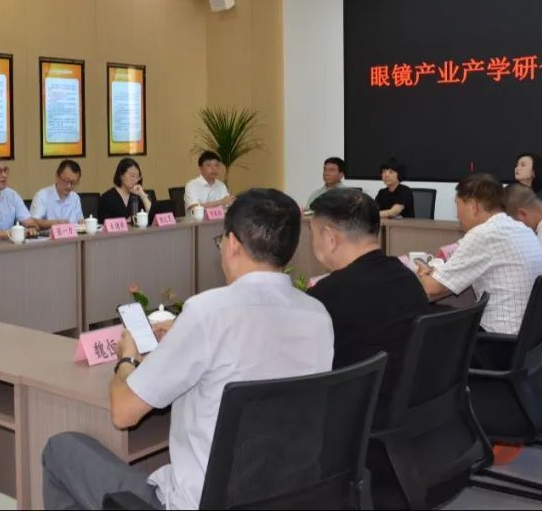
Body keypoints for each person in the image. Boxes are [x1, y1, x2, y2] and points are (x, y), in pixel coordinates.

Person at [42, 189, 334, 510]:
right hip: (288, 496)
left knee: (60, 450)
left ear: (233, 244)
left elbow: (124, 412)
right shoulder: (318, 315)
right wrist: (182, 335)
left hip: (202, 502)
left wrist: (127, 358)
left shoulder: (208, 312)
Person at [307, 188, 428, 416]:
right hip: (411, 406)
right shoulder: (407, 277)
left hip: (360, 416)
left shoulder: (327, 295)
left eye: (312, 234)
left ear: (330, 238)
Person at [415, 174, 542, 335]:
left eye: (457, 204)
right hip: (529, 334)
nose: (457, 215)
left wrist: (422, 275)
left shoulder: (483, 234)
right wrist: (436, 274)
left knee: (424, 325)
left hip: (498, 338)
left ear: (473, 206)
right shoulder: (522, 229)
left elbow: (431, 288)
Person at [30, 160, 85, 229]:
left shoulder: (75, 197)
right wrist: (55, 223)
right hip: (48, 235)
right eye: (66, 181)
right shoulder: (42, 196)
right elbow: (33, 222)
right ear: (57, 176)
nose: (69, 186)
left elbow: (80, 221)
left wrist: (84, 223)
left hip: (72, 236)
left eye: (73, 183)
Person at [98, 158, 153, 222]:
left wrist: (142, 195)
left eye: (138, 177)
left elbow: (152, 216)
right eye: (132, 176)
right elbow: (103, 224)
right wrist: (126, 222)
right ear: (121, 175)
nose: (136, 180)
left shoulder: (138, 195)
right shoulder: (107, 198)